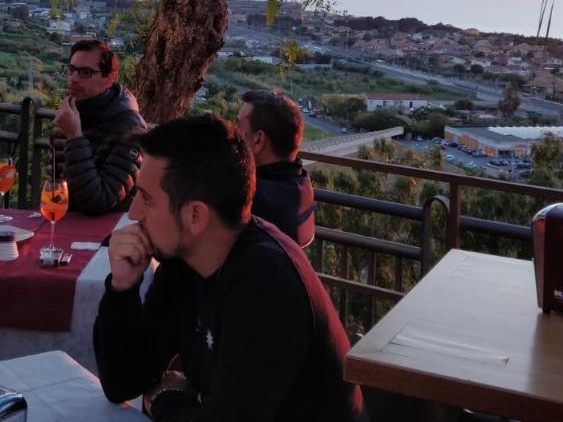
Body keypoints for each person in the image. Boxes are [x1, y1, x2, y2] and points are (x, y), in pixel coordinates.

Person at [94, 114, 363, 421]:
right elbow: (121, 382)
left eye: (146, 198)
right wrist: (122, 288)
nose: (134, 212)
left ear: (196, 216)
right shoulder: (184, 264)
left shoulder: (266, 282)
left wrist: (164, 399)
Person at [49, 38, 146, 215]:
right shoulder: (69, 116)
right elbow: (58, 190)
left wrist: (75, 137)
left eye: (85, 72)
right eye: (71, 70)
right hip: (65, 227)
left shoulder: (131, 128)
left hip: (110, 235)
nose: (74, 79)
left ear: (109, 78)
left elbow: (100, 202)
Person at [236, 90, 316, 246]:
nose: (233, 134)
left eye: (238, 127)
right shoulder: (301, 184)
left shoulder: (247, 198)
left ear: (258, 140)